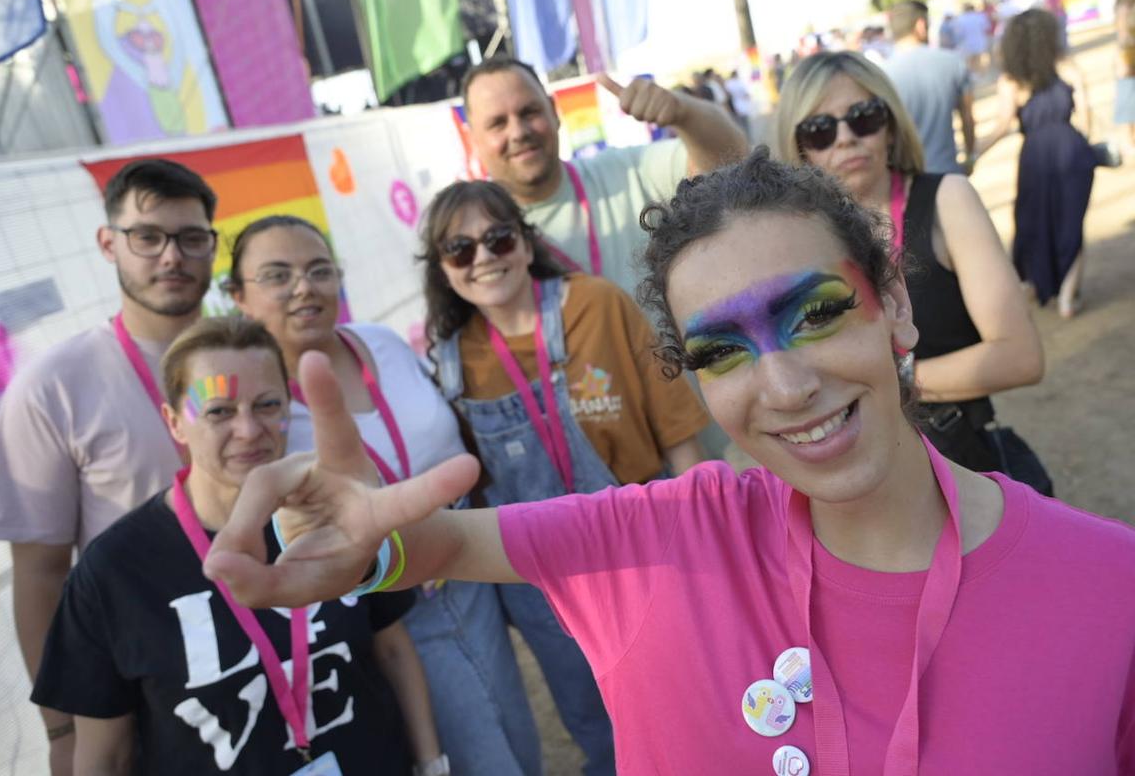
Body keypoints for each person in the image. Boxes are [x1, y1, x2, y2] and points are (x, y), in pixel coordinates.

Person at [205, 150, 1135, 775]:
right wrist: (366, 549)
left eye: (814, 312)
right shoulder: (668, 534)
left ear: (892, 302)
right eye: (721, 351)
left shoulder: (1107, 585)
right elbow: (441, 546)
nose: (782, 384)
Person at [31, 317, 444, 774]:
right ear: (175, 423)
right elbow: (105, 754)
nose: (249, 430)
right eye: (219, 411)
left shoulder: (329, 514)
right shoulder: (113, 572)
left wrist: (431, 763)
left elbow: (392, 649)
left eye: (267, 404)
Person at [418, 180, 713, 774]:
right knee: (596, 724)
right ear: (444, 270)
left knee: (690, 701)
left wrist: (708, 546)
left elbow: (680, 439)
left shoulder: (597, 305)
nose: (484, 258)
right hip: (541, 592)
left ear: (526, 244)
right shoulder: (448, 365)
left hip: (645, 553)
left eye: (498, 237)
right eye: (460, 250)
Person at [227, 215, 539, 776]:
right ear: (238, 297)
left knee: (518, 729)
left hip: (467, 562)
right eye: (278, 275)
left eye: (319, 270)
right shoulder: (257, 413)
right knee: (483, 756)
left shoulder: (381, 342)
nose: (304, 287)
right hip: (390, 602)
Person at [0, 158, 218, 774]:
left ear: (213, 244)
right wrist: (61, 727)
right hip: (146, 681)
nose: (171, 257)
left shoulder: (256, 359)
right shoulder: (54, 386)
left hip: (269, 646)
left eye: (191, 237)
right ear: (109, 244)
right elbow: (40, 571)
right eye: (147, 237)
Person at [770, 51, 1046, 487]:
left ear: (891, 125)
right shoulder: (790, 244)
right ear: (798, 146)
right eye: (820, 129)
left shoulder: (948, 200)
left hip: (960, 466)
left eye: (863, 117)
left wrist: (887, 379)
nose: (845, 138)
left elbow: (1020, 356)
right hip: (853, 485)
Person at [461, 56, 747, 296]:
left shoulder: (626, 172)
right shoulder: (472, 246)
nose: (519, 132)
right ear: (473, 139)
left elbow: (732, 159)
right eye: (497, 123)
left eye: (529, 112)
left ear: (554, 111)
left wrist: (683, 113)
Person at [976, 8, 1098, 319]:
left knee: (1031, 221)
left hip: (1035, 158)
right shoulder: (1067, 67)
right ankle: (1068, 298)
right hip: (1072, 150)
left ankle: (1032, 282)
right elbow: (1085, 118)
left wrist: (972, 153)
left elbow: (1002, 125)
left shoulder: (1013, 81)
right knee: (1072, 222)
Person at [882, 0, 975, 175]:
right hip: (947, 174)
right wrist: (970, 156)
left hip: (905, 182)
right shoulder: (953, 62)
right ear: (921, 25)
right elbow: (967, 117)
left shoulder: (880, 76)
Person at [1113, 0, 1135, 156]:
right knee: (1127, 102)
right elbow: (1124, 39)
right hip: (1126, 62)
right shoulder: (1123, 10)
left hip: (1130, 60)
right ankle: (1128, 142)